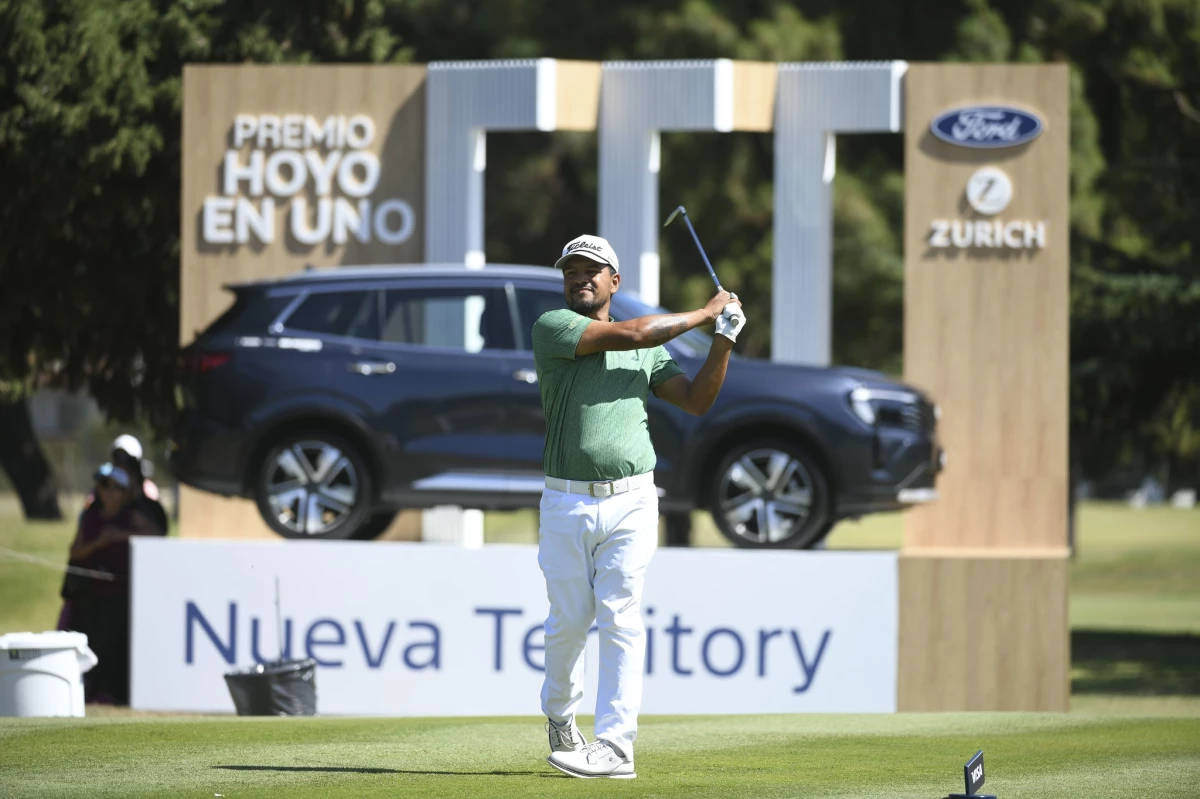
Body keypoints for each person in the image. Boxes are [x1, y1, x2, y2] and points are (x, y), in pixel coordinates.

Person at [535, 234, 745, 779]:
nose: (580, 278)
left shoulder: (648, 347)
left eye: (592, 271)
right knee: (568, 624)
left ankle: (616, 746)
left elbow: (695, 402)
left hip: (632, 501)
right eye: (571, 272)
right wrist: (705, 312)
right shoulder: (555, 328)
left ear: (614, 282)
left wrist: (722, 341)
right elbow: (629, 332)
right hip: (566, 500)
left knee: (622, 618)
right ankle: (560, 716)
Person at [63, 462, 165, 704]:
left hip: (122, 594)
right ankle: (91, 691)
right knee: (92, 643)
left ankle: (112, 693)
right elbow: (75, 551)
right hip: (92, 594)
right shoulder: (91, 516)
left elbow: (155, 534)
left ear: (126, 493)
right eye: (104, 486)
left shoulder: (132, 515)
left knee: (114, 645)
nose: (108, 492)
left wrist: (118, 535)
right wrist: (97, 543)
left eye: (115, 487)